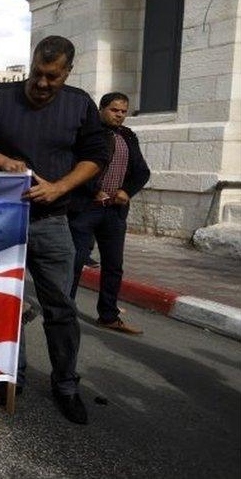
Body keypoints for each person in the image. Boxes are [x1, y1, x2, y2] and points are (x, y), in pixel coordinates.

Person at [0, 35, 110, 425]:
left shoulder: (80, 105)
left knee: (60, 308)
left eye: (52, 77)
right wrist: (0, 160)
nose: (42, 84)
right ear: (32, 63)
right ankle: (10, 376)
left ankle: (66, 384)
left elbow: (96, 157)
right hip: (1, 219)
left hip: (52, 222)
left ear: (67, 73)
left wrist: (59, 186)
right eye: (38, 73)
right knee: (2, 302)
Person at [68, 92, 150, 334]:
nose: (120, 115)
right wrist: (93, 190)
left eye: (124, 111)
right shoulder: (87, 134)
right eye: (115, 110)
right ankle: (65, 311)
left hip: (114, 212)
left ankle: (108, 315)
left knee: (113, 265)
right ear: (102, 109)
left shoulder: (128, 136)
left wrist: (127, 191)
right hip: (86, 208)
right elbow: (74, 167)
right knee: (75, 261)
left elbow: (142, 171)